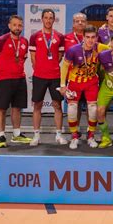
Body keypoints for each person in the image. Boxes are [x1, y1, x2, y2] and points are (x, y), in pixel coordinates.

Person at [59, 25, 109, 149]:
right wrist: (62, 85)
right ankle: (74, 136)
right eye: (88, 37)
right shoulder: (73, 50)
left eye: (93, 37)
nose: (90, 40)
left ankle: (91, 135)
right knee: (71, 108)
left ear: (97, 38)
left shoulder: (100, 47)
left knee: (92, 109)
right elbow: (64, 67)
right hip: (75, 82)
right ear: (83, 37)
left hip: (91, 82)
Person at [0, 15, 32, 148]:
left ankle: (16, 134)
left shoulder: (25, 41)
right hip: (4, 80)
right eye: (14, 25)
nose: (17, 28)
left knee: (17, 108)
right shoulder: (0, 40)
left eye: (19, 25)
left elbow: (22, 58)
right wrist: (1, 72)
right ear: (9, 25)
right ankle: (1, 136)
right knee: (1, 108)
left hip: (19, 79)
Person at [28, 9, 67, 146]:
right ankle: (36, 136)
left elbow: (60, 56)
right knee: (37, 105)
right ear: (42, 19)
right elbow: (33, 57)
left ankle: (58, 135)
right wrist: (40, 68)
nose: (48, 20)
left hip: (55, 76)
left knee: (57, 105)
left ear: (54, 20)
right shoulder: (35, 36)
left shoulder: (60, 37)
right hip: (39, 76)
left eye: (51, 18)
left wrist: (52, 66)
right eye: (46, 17)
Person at [64, 12, 88, 134]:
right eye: (77, 21)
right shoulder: (66, 38)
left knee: (91, 106)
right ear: (73, 24)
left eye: (82, 21)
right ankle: (75, 132)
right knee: (75, 106)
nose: (80, 23)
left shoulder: (92, 37)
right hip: (73, 79)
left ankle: (91, 132)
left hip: (89, 79)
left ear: (86, 23)